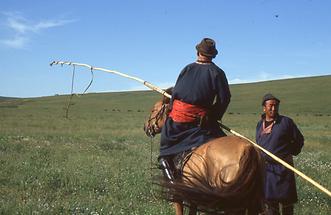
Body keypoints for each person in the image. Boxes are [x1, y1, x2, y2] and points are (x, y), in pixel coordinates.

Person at [159, 38, 231, 181]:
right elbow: (224, 99)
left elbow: (176, 94)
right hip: (201, 123)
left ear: (198, 52)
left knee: (165, 147)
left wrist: (173, 109)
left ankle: (172, 183)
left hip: (178, 123)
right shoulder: (217, 72)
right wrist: (213, 116)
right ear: (213, 55)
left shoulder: (187, 69)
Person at [256, 93, 304, 215]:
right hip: (266, 169)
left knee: (287, 202)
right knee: (270, 203)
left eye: (276, 106)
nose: (273, 109)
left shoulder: (286, 122)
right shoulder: (259, 125)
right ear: (264, 108)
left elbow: (299, 140)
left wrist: (290, 152)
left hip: (283, 168)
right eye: (270, 106)